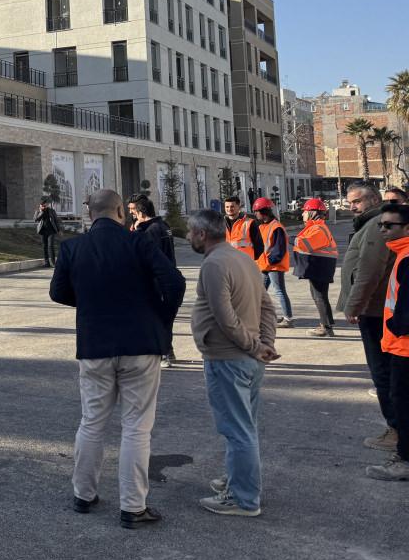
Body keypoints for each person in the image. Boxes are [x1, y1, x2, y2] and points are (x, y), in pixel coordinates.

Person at [49, 189, 185, 529]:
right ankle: (133, 506)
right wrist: (159, 318)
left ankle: (84, 494)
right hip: (141, 344)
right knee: (137, 427)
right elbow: (175, 282)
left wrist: (91, 305)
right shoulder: (139, 243)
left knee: (92, 421)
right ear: (121, 211)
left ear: (89, 213)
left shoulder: (72, 247)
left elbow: (58, 292)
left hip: (95, 345)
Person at [186, 209, 278, 516]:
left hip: (229, 358)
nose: (187, 237)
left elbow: (225, 318)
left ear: (202, 234)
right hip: (248, 359)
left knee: (238, 430)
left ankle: (243, 499)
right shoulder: (243, 258)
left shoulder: (214, 264)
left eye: (190, 232)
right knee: (244, 427)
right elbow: (267, 306)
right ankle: (237, 482)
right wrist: (265, 344)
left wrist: (256, 345)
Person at [339, 181, 399, 452]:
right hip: (375, 309)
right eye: (350, 202)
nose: (352, 206)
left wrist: (354, 306)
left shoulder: (376, 225)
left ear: (373, 200)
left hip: (374, 311)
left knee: (383, 373)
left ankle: (396, 430)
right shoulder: (371, 223)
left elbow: (369, 271)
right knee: (387, 372)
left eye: (357, 201)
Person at [367, 201, 409, 481]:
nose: (383, 230)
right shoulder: (402, 254)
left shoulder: (406, 258)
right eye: (381, 225)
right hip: (401, 344)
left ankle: (404, 460)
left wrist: (395, 326)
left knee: (403, 403)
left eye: (389, 226)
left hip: (405, 346)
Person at [129, 194, 178, 367]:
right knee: (164, 317)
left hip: (156, 281)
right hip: (168, 277)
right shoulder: (163, 225)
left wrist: (137, 231)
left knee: (157, 318)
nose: (132, 214)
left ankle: (163, 353)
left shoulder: (150, 230)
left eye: (133, 210)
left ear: (141, 212)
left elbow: (147, 256)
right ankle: (168, 351)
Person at [292, 197, 339, 337]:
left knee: (319, 296)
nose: (302, 214)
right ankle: (327, 325)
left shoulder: (318, 228)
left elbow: (304, 244)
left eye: (305, 211)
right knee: (319, 296)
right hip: (319, 266)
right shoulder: (315, 227)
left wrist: (288, 238)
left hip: (321, 266)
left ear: (313, 212)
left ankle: (326, 327)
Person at [252, 197, 292, 327]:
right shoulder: (263, 226)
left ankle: (288, 319)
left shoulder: (276, 227)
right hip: (265, 265)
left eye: (256, 211)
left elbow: (278, 250)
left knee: (279, 291)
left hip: (274, 266)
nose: (255, 214)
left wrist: (269, 261)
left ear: (263, 211)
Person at [223, 195, 264, 262]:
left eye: (232, 206)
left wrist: (250, 259)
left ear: (239, 207)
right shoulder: (221, 224)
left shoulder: (250, 223)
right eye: (227, 207)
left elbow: (259, 246)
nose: (229, 209)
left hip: (245, 264)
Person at [35, 198, 61, 267]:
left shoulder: (51, 211)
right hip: (43, 231)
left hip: (51, 231)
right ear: (40, 205)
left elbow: (56, 221)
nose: (44, 206)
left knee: (50, 246)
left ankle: (53, 263)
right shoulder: (38, 211)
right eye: (42, 205)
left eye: (45, 205)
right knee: (45, 247)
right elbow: (36, 219)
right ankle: (47, 263)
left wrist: (58, 230)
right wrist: (41, 212)